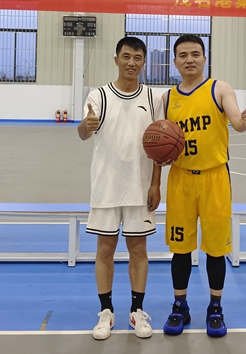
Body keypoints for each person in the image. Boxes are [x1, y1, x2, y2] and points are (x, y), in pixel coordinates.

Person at [161, 33, 246, 337]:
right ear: (175, 61)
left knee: (215, 250)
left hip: (215, 178)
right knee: (180, 249)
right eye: (183, 55)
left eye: (195, 54)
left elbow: (236, 122)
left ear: (204, 58)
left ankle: (215, 307)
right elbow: (158, 140)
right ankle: (180, 306)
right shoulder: (167, 99)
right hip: (180, 179)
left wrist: (244, 121)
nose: (189, 59)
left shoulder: (219, 89)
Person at [77, 36, 164, 340]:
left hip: (140, 188)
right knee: (105, 249)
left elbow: (160, 145)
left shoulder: (153, 98)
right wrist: (85, 126)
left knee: (138, 250)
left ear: (143, 62)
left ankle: (137, 311)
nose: (131, 63)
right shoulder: (99, 95)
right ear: (116, 59)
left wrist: (156, 184)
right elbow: (83, 133)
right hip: (106, 186)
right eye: (126, 56)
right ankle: (106, 311)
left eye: (137, 57)